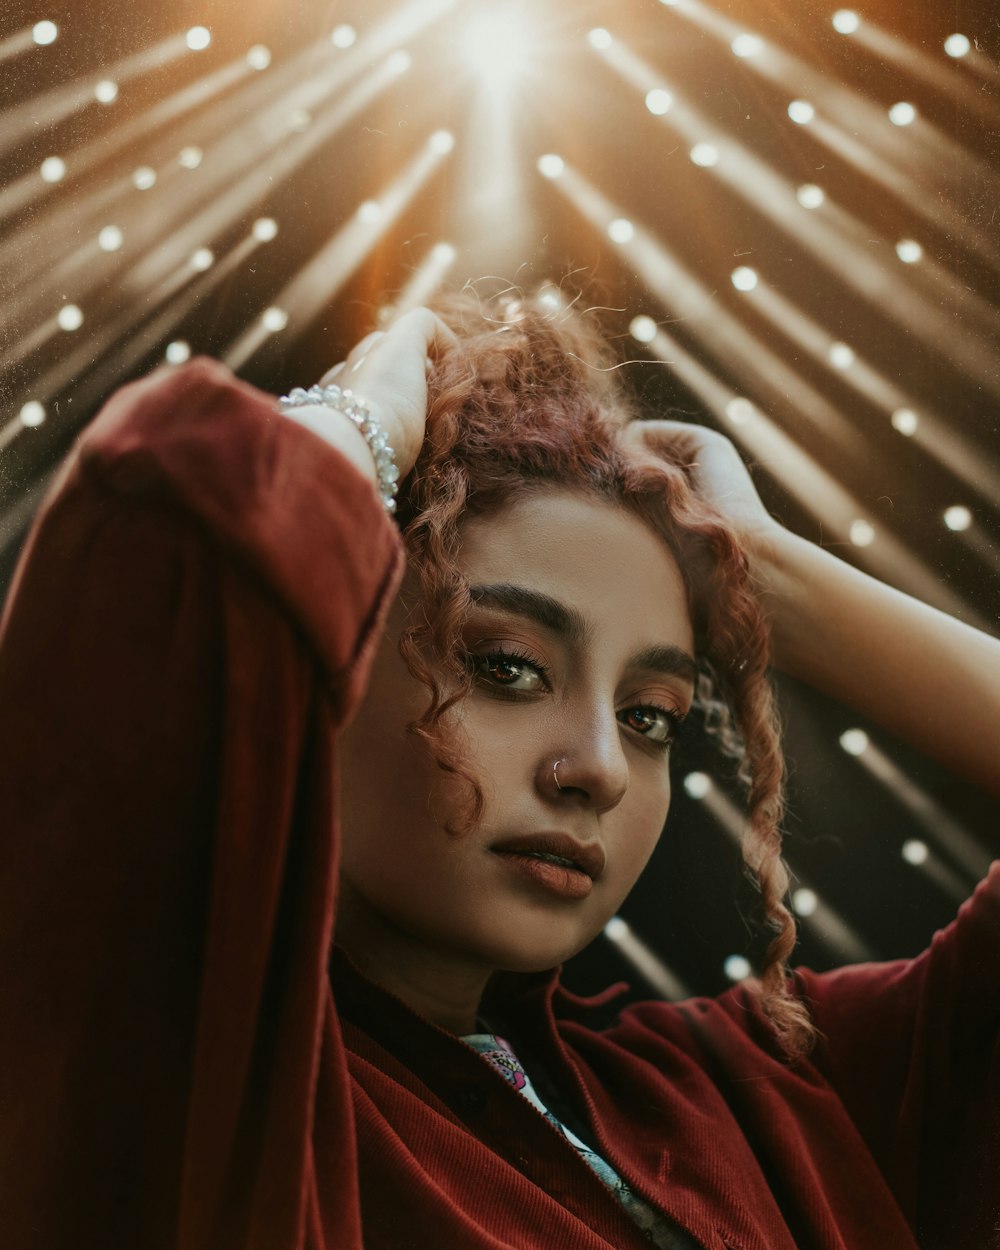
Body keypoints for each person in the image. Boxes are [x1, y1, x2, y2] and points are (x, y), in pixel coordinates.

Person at [0, 290, 996, 1250]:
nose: (598, 767)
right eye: (506, 665)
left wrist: (770, 574)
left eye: (650, 714)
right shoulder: (172, 1083)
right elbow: (160, 524)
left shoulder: (772, 1088)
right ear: (328, 656)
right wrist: (367, 415)